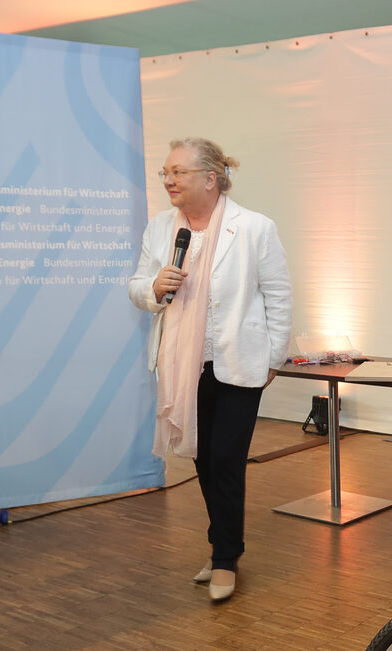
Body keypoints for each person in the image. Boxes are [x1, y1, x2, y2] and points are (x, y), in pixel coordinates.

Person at [129, 138, 292, 602]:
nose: (168, 180)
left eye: (177, 172)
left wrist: (274, 358)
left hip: (238, 363)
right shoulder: (161, 228)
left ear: (210, 178)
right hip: (183, 367)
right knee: (203, 459)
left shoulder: (255, 227)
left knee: (226, 460)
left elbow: (278, 295)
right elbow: (138, 285)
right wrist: (154, 287)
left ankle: (224, 558)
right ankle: (224, 546)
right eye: (165, 173)